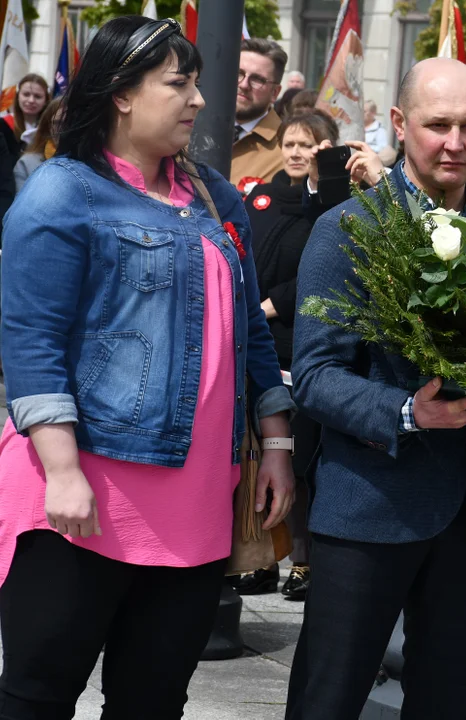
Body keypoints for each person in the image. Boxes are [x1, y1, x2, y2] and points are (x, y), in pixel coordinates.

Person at [0, 17, 295, 716]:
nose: (198, 99)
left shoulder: (218, 199)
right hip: (81, 496)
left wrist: (277, 441)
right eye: (179, 83)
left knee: (154, 701)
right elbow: (31, 340)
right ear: (123, 95)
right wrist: (64, 470)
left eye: (196, 82)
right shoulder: (60, 193)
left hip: (195, 510)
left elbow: (250, 326)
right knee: (36, 697)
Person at [284, 57, 466, 717]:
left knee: (446, 703)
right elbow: (317, 377)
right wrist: (409, 411)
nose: (455, 142)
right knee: (329, 697)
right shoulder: (349, 229)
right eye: (438, 125)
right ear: (401, 125)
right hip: (370, 505)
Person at [229, 109, 346, 600]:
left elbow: (335, 263)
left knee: (299, 459)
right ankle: (260, 556)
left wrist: (274, 303)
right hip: (263, 340)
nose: (298, 153)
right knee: (260, 453)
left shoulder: (334, 202)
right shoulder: (264, 197)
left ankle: (304, 559)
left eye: (310, 145)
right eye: (292, 144)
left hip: (303, 339)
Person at [232, 38, 287, 188]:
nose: (243, 85)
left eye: (257, 79)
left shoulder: (287, 147)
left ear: (275, 93)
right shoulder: (190, 129)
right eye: (238, 73)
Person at [13, 98, 62, 192]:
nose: (64, 129)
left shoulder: (93, 162)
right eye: (57, 123)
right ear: (48, 127)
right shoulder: (27, 163)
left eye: (70, 123)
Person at [2, 74, 48, 149]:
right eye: (26, 94)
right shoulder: (3, 125)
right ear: (18, 96)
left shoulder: (51, 128)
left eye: (37, 96)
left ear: (46, 100)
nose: (31, 100)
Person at [363, 99, 395, 164]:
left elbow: (383, 149)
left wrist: (365, 147)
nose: (361, 114)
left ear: (373, 113)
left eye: (364, 111)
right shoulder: (359, 127)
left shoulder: (379, 129)